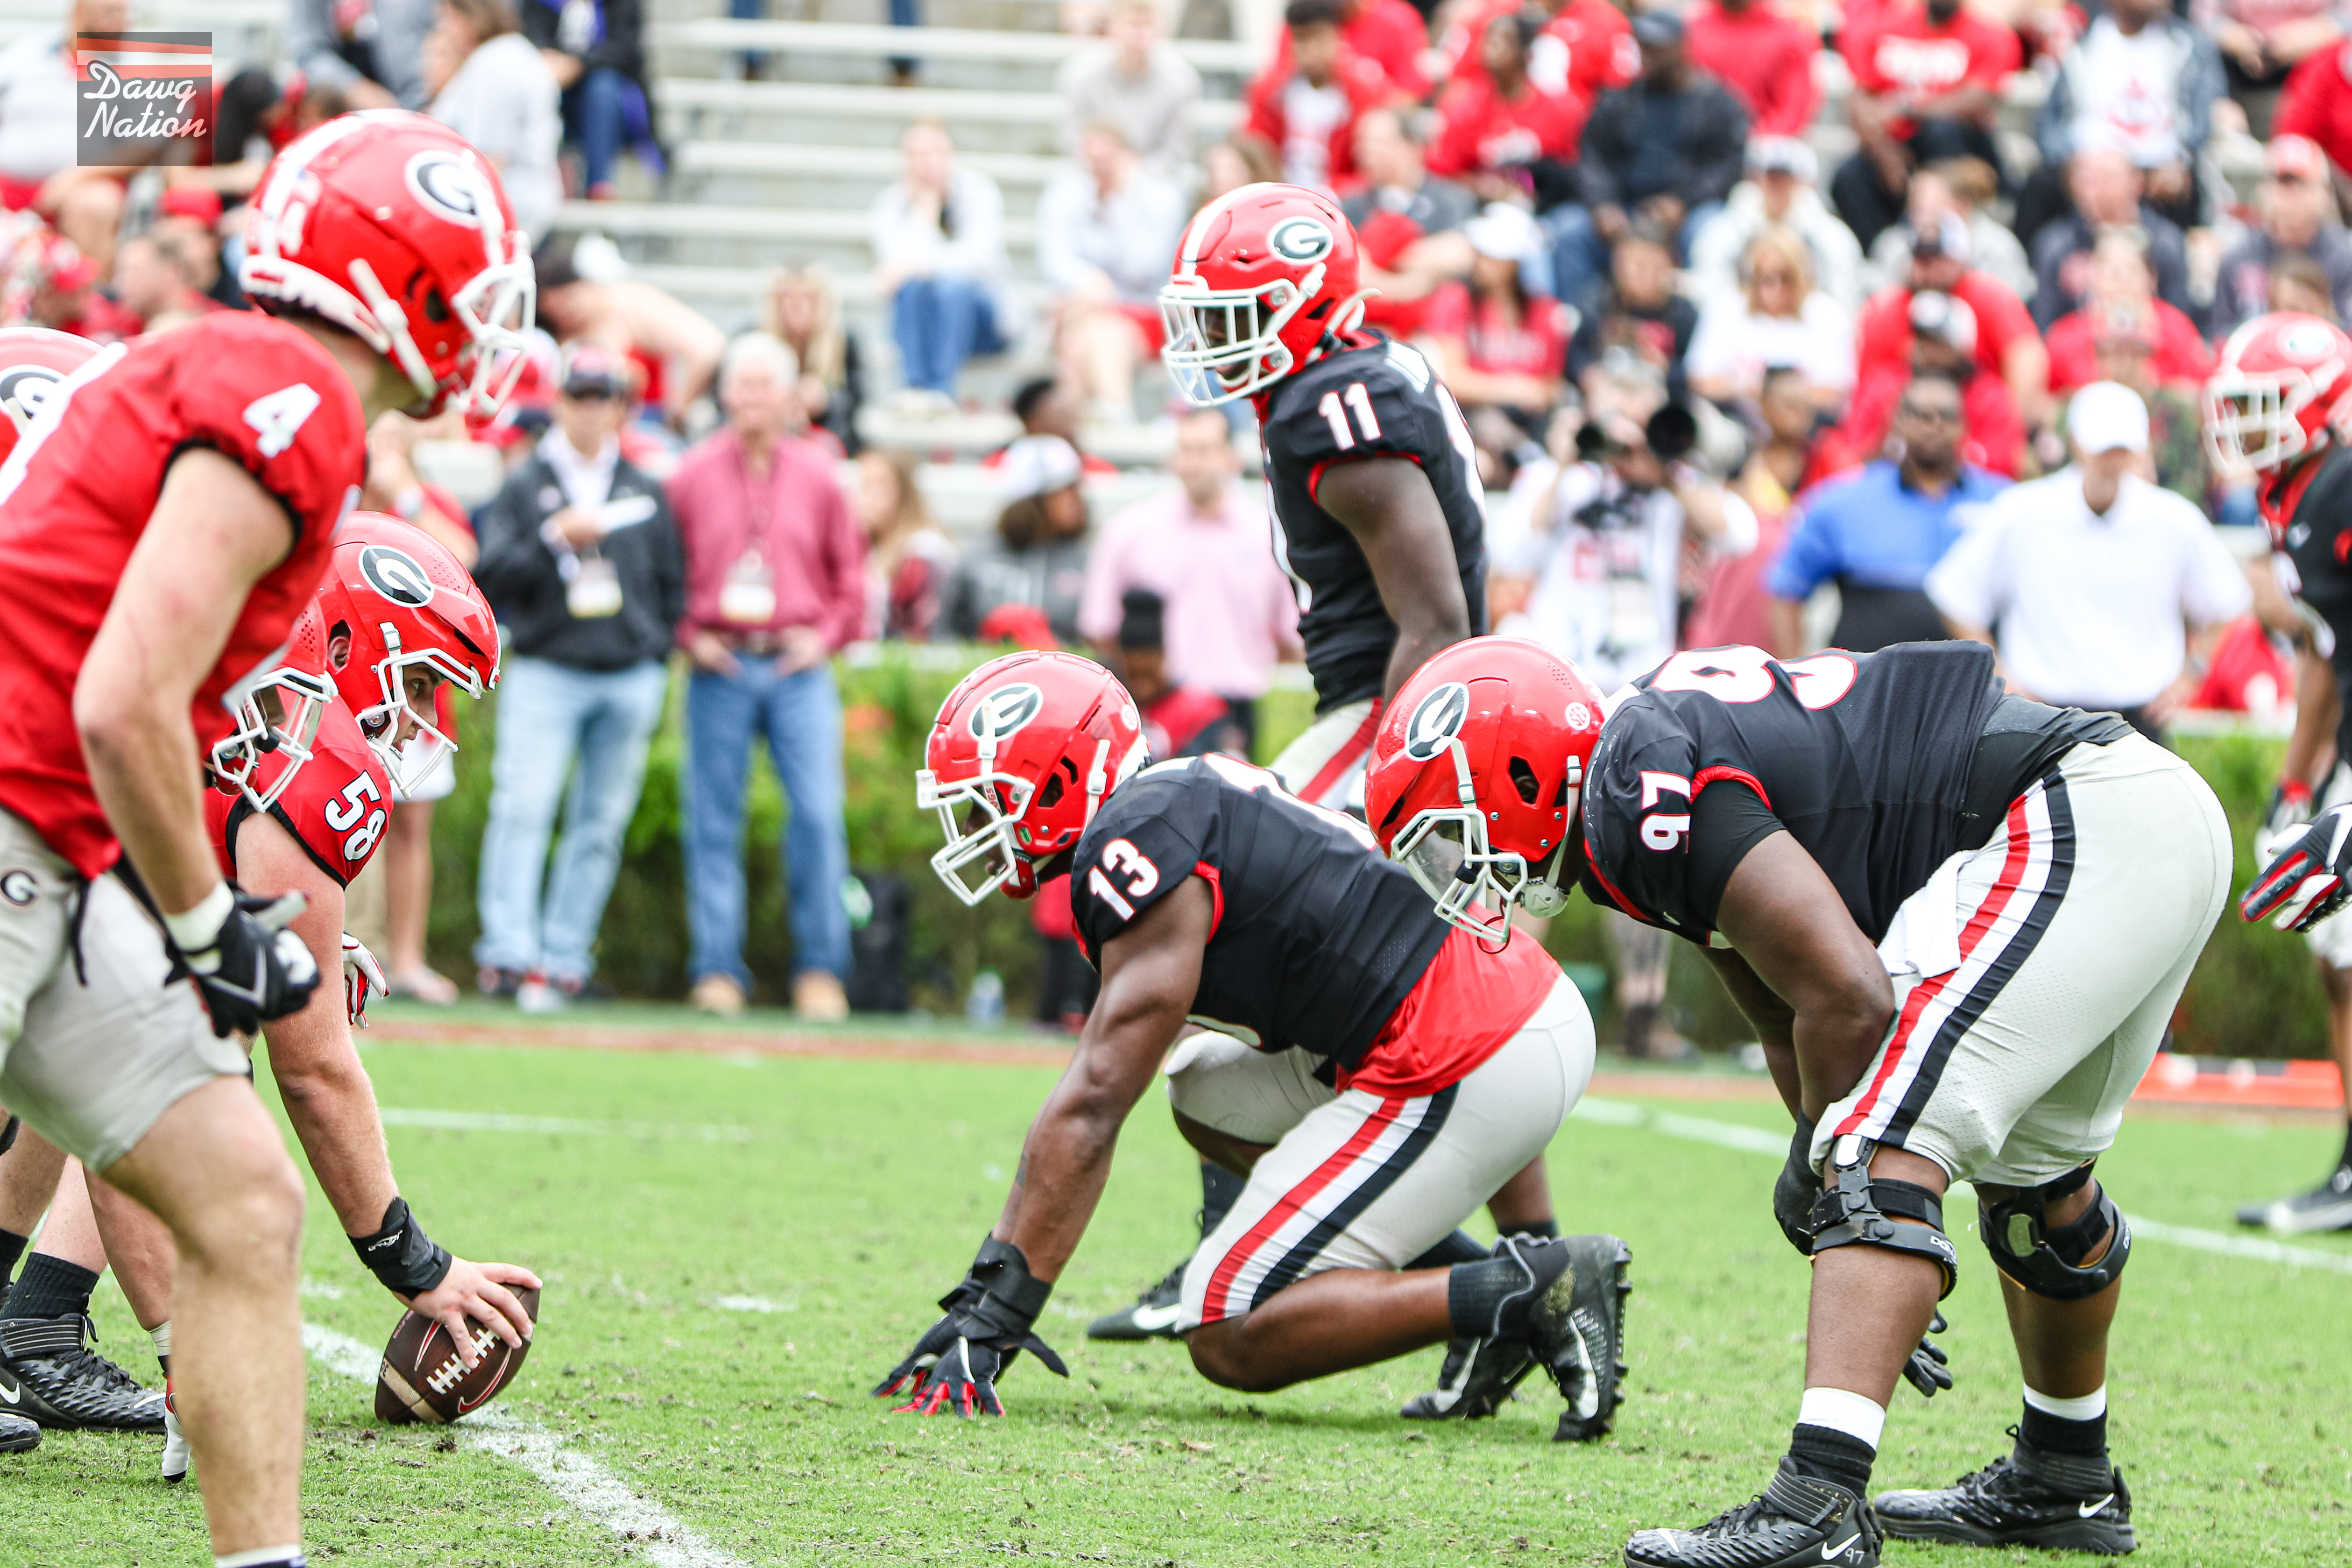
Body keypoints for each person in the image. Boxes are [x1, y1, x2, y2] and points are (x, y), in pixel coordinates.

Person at [1370, 629, 2230, 1565]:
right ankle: (2066, 1476)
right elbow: (1786, 1014)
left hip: (2077, 813)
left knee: (1878, 1141)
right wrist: (1830, 1187)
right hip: (2137, 812)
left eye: (1456, 830)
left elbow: (1848, 995)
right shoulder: (1637, 774)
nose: (1463, 867)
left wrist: (1839, 1177)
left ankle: (1816, 1502)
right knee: (2035, 1185)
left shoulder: (1629, 789)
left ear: (1522, 772)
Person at [0, 112, 531, 1561]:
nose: (485, 323)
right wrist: (202, 929)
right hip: (22, 817)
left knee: (241, 1196)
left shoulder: (263, 380)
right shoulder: (287, 399)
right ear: (402, 278)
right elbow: (122, 701)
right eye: (472, 281)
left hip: (54, 841)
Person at [880, 653, 1628, 1439]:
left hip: (1471, 1042)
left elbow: (1095, 1100)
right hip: (1481, 1015)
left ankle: (1536, 1287)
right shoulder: (1174, 798)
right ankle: (1494, 1296)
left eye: (983, 803)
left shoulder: (1137, 843)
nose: (971, 830)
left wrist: (997, 1306)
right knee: (1206, 1090)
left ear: (1057, 781)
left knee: (1227, 1324)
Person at [1124, 184, 1566, 1406]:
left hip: (1388, 717)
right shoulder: (1343, 378)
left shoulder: (1334, 402)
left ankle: (1247, 1252)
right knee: (1458, 1011)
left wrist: (1402, 778)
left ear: (1303, 298)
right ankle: (1525, 1280)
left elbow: (1433, 616)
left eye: (1239, 309)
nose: (1216, 335)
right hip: (1387, 710)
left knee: (1199, 919)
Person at [18, 516, 533, 1481]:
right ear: (344, 639)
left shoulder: (232, 654)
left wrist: (286, 927)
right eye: (417, 680)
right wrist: (415, 1262)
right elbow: (316, 1068)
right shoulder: (309, 748)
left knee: (99, 1023)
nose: (423, 714)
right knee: (148, 1056)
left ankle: (37, 1316)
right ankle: (188, 1371)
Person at [472, 343, 685, 1011]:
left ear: (622, 406)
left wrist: (653, 646)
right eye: (579, 395)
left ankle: (565, 955)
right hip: (548, 667)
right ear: (561, 400)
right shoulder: (525, 481)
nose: (590, 409)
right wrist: (553, 539)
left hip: (625, 671)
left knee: (600, 823)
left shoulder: (644, 487)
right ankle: (509, 951)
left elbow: (669, 580)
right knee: (523, 808)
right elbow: (491, 576)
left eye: (603, 397)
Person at [666, 334, 864, 1022]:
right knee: (712, 819)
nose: (752, 398)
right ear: (724, 393)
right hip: (720, 662)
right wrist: (690, 637)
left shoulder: (821, 474)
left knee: (816, 815)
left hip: (796, 665)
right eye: (741, 385)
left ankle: (820, 970)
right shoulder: (688, 474)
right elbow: (666, 574)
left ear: (789, 396)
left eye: (764, 385)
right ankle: (717, 968)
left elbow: (852, 576)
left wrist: (827, 637)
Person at [2213, 311, 2352, 1234]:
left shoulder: (2337, 485)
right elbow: (2321, 649)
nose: (2245, 424)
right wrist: (2297, 784)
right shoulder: (2295, 489)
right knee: (2335, 957)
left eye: (2266, 405)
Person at [1928, 381, 2253, 742]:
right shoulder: (2022, 512)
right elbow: (1954, 595)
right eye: (2105, 448)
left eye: (2121, 448)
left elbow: (2227, 602)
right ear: (2076, 444)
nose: (2113, 460)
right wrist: (2001, 677)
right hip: (2043, 715)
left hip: (2137, 718)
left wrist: (2191, 675)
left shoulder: (2175, 520)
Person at [1077, 409, 1301, 751]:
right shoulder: (1131, 532)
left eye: (1204, 451)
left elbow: (1291, 636)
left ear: (1231, 458)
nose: (1192, 463)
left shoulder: (1267, 534)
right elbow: (1100, 628)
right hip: (1155, 706)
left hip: (1234, 707)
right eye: (1185, 450)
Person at [1773, 368, 2008, 657]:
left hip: (1978, 688)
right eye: (1919, 415)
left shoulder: (2005, 503)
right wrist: (1796, 681)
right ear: (1897, 420)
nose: (1933, 425)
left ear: (1964, 425)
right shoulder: (1843, 503)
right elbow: (1787, 589)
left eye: (1945, 416)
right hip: (1870, 690)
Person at [1552, 11, 1751, 309]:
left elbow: (1728, 166)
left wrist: (1683, 202)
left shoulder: (1718, 104)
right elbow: (1593, 159)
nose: (1648, 54)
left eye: (1658, 46)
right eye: (1643, 45)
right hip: (1626, 209)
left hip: (1685, 214)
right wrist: (1603, 205)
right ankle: (1583, 326)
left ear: (1681, 48)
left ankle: (1694, 326)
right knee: (1570, 231)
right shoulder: (1619, 101)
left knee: (1711, 230)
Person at [1832, 0, 2021, 254]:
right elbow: (1858, 98)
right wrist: (1881, 148)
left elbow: (1981, 97)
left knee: (1941, 132)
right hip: (1897, 145)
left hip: (1960, 149)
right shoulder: (1888, 30)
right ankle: (1882, 259)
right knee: (1849, 177)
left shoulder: (1989, 34)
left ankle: (1952, 248)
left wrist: (1911, 108)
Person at [2026, 0, 2221, 240]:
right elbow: (2048, 121)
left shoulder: (2191, 45)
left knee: (2187, 190)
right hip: (2088, 162)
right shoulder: (2082, 42)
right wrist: (2070, 163)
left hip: (2158, 170)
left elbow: (2201, 117)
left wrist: (2182, 158)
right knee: (2040, 185)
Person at [1038, 123, 1190, 424]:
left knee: (1084, 338)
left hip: (1143, 310)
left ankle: (1095, 419)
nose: (1098, 169)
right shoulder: (1066, 193)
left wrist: (1121, 202)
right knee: (1088, 328)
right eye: (1092, 160)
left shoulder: (1163, 198)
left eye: (1106, 160)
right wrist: (1090, 282)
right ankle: (1111, 414)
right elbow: (1054, 259)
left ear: (1129, 157)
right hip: (1083, 307)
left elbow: (1144, 268)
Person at [1854, 214, 2049, 434]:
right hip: (1908, 426)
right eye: (1920, 257)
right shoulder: (1887, 310)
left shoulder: (1990, 298)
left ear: (1960, 259)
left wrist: (2010, 430)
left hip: (1979, 422)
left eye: (1937, 257)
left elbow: (2026, 358)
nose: (1928, 268)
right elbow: (1868, 390)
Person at [871, 120, 1018, 411]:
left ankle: (941, 390)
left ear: (951, 156)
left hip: (984, 321)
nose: (926, 163)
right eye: (916, 155)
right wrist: (924, 215)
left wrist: (921, 263)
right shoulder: (890, 205)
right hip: (926, 319)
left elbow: (977, 260)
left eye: (934, 153)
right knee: (911, 288)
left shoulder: (979, 193)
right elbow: (897, 269)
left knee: (953, 287)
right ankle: (914, 388)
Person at [533, 239, 727, 430]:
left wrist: (678, 412)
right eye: (555, 312)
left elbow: (707, 348)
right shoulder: (553, 335)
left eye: (570, 301)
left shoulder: (628, 304)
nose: (567, 316)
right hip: (576, 433)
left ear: (588, 285)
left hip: (645, 426)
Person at [0, 0, 133, 274]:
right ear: (79, 13)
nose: (121, 22)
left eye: (124, 13)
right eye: (111, 13)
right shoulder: (26, 57)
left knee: (96, 206)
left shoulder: (135, 67)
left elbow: (143, 147)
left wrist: (75, 177)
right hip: (10, 183)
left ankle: (92, 305)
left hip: (85, 184)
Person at [1419, 203, 1574, 437]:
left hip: (1532, 420)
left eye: (1490, 256)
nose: (1480, 263)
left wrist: (1536, 394)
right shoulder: (1456, 299)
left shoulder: (1545, 311)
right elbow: (1453, 378)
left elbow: (1551, 385)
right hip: (1471, 417)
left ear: (1513, 263)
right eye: (1479, 254)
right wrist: (1514, 389)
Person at [1846, 289, 2028, 477]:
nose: (1927, 352)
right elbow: (1852, 458)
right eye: (1921, 339)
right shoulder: (1884, 387)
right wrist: (1888, 440)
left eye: (1938, 343)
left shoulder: (1990, 398)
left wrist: (1945, 450)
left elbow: (2006, 467)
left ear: (1962, 349)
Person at [423, 0, 564, 241]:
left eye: (448, 19)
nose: (445, 30)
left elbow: (489, 160)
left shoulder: (492, 64)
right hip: (531, 203)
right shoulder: (519, 52)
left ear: (470, 18)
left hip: (507, 215)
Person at [1423, 8, 1587, 212]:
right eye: (1489, 39)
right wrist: (1479, 187)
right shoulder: (1464, 106)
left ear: (1527, 52)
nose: (1493, 47)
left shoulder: (1561, 109)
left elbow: (1577, 169)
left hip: (1547, 208)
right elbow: (1442, 172)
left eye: (1506, 40)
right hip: (1482, 209)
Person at [2028, 144, 2196, 336]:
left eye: (2107, 179)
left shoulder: (2166, 244)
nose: (2096, 190)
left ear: (2136, 183)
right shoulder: (2055, 245)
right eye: (2088, 180)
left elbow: (2179, 322)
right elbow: (2044, 326)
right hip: (2075, 352)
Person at [1688, 137, 1866, 317]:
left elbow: (1842, 302)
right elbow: (1711, 300)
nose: (1778, 186)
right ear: (1756, 179)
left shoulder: (1832, 237)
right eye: (1771, 178)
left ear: (1801, 182)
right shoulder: (1722, 234)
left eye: (1785, 179)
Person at [1342, 110, 1479, 340]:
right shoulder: (1351, 205)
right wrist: (1420, 278)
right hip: (1366, 329)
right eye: (1362, 142)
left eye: (1379, 143)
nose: (1366, 151)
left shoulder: (1451, 199)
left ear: (1412, 147)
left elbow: (1459, 255)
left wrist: (1383, 269)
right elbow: (1351, 270)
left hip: (1436, 331)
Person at [945, 434, 1094, 646]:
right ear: (1033, 499)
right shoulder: (977, 559)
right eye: (1065, 491)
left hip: (1065, 676)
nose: (1077, 501)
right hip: (989, 676)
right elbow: (944, 636)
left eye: (1077, 489)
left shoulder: (1087, 561)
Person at [1686, 226, 1856, 410]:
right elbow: (1699, 379)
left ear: (1801, 277)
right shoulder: (1725, 308)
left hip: (1809, 422)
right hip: (1738, 417)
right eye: (1764, 278)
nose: (1773, 290)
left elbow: (1836, 391)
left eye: (1784, 278)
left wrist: (1780, 395)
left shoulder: (1827, 314)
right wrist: (1748, 387)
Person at [1239, 0, 1394, 195]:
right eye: (1302, 39)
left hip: (1343, 201)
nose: (1310, 49)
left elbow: (1372, 166)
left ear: (1337, 38)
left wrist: (1332, 191)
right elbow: (1252, 151)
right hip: (1280, 196)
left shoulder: (1364, 93)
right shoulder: (1269, 92)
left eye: (1318, 38)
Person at [2212, 135, 2352, 340]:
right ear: (2263, 190)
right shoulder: (2238, 261)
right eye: (2280, 183)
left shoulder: (2345, 261)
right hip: (2257, 368)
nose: (2289, 196)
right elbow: (2220, 338)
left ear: (2324, 192)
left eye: (2300, 184)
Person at [2044, 230, 2214, 396]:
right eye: (2113, 272)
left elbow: (2202, 391)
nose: (2122, 281)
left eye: (2132, 270)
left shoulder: (2176, 328)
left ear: (2151, 278)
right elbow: (2047, 405)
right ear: (2092, 276)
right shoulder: (2064, 338)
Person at [520, 0, 657, 201]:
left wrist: (578, 65)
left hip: (607, 100)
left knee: (602, 88)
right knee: (539, 82)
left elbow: (625, 50)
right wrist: (551, 60)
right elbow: (530, 35)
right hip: (558, 87)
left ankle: (599, 184)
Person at [1859, 156, 2034, 308]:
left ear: (1961, 205)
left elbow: (2018, 298)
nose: (1917, 215)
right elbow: (1873, 296)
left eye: (1928, 207)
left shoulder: (1997, 245)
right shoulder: (1895, 243)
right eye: (1913, 204)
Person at [1056, 0, 1202, 179]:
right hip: (1090, 173)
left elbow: (1175, 152)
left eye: (1147, 25)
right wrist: (1102, 166)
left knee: (1164, 203)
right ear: (1113, 28)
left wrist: (1135, 173)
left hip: (1153, 178)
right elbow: (1072, 138)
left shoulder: (1182, 80)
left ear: (1162, 31)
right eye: (1133, 24)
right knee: (1063, 198)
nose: (1140, 34)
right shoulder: (1080, 74)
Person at [1566, 219, 1699, 400]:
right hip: (1606, 393)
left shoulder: (1684, 314)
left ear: (1672, 265)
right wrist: (1588, 373)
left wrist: (1667, 368)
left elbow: (1697, 373)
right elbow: (1575, 357)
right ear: (1617, 265)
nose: (1644, 276)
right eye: (1637, 267)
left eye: (1655, 268)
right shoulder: (1597, 304)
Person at [2197, 0, 2345, 138]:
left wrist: (2313, 32)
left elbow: (2346, 17)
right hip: (2235, 81)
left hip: (2314, 79)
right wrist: (2233, 36)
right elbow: (2202, 18)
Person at [760, 263, 863, 456]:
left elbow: (858, 400)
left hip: (825, 434)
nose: (796, 306)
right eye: (788, 298)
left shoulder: (845, 341)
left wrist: (826, 401)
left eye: (807, 298)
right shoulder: (754, 340)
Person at [1684, 0, 1823, 139]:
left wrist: (1759, 139)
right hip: (1699, 143)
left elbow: (1795, 105)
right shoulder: (1692, 31)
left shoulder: (1788, 36)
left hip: (1765, 144)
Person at [855, 448, 955, 642]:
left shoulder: (923, 551)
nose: (868, 498)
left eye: (880, 485)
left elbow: (916, 634)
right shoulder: (874, 547)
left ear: (904, 491)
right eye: (864, 486)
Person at [1258, 0, 1431, 105]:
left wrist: (1359, 87)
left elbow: (1410, 95)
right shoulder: (1304, 19)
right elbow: (1274, 88)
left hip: (1368, 132)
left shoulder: (1398, 20)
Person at [287, 0, 438, 108]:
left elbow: (441, 32)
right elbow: (308, 50)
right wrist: (353, 88)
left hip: (418, 101)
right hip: (344, 105)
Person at [109, 233, 218, 335]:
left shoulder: (213, 324)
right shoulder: (123, 323)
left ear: (170, 274)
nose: (119, 284)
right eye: (121, 272)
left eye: (135, 272)